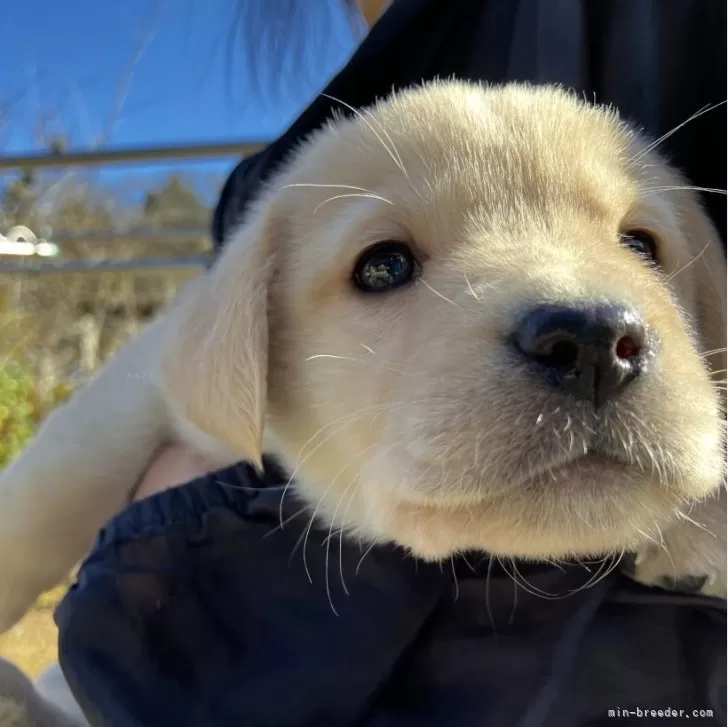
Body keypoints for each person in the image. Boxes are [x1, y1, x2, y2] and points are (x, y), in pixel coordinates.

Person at [21, 1, 728, 725]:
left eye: (640, 242)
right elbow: (118, 420)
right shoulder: (272, 222)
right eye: (384, 265)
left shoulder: (658, 28)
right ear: (255, 346)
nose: (592, 325)